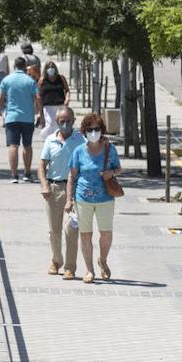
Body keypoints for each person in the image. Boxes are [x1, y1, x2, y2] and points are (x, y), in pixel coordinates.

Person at [64, 112, 121, 283]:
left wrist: (111, 172)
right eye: (90, 129)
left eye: (96, 129)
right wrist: (69, 199)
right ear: (84, 131)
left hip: (105, 198)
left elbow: (118, 168)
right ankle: (89, 270)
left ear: (102, 130)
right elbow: (72, 176)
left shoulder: (110, 150)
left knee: (106, 234)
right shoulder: (79, 151)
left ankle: (102, 259)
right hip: (83, 198)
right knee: (85, 235)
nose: (93, 132)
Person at [38, 107, 84, 279]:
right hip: (54, 189)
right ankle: (56, 261)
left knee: (71, 229)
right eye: (62, 121)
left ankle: (70, 267)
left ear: (74, 121)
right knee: (54, 231)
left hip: (75, 190)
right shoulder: (50, 141)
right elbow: (41, 166)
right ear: (57, 122)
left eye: (69, 120)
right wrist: (44, 185)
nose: (65, 124)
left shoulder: (80, 140)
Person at [0, 56, 42, 183]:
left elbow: (0, 99)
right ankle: (27, 174)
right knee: (27, 146)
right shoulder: (30, 81)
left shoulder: (6, 80)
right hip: (27, 118)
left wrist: (5, 106)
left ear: (14, 66)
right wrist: (40, 114)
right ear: (25, 66)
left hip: (11, 118)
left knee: (13, 146)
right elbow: (38, 97)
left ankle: (13, 175)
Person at [37, 61, 70, 140]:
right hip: (48, 107)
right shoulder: (42, 80)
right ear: (45, 69)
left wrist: (67, 98)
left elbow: (67, 90)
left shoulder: (61, 78)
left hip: (60, 106)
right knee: (50, 124)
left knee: (59, 123)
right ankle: (48, 137)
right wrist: (40, 112)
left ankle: (59, 138)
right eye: (49, 67)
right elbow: (39, 96)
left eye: (52, 67)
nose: (51, 69)